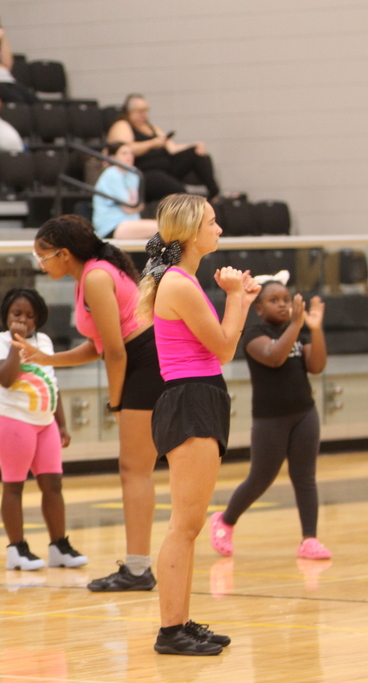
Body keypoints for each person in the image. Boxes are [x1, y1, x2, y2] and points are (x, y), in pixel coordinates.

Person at [138, 193, 259, 655]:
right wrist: (233, 298)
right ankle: (171, 630)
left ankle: (182, 622)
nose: (219, 229)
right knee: (185, 525)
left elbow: (219, 346)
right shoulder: (180, 285)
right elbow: (226, 348)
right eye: (213, 222)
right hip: (191, 399)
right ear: (190, 233)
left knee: (188, 523)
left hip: (199, 395)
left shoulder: (181, 280)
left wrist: (239, 301)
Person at [19, 214, 164, 592]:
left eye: (43, 256)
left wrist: (115, 403)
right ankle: (137, 567)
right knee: (135, 470)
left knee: (135, 470)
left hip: (144, 364)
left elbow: (115, 353)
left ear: (64, 254)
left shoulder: (97, 277)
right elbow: (98, 345)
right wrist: (46, 358)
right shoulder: (92, 275)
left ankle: (137, 570)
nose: (41, 263)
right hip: (141, 361)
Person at [210, 275, 331, 560]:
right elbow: (274, 356)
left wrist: (314, 330)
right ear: (260, 308)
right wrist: (297, 325)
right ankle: (226, 520)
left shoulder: (297, 331)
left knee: (305, 478)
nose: (282, 305)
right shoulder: (253, 334)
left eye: (287, 300)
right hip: (270, 420)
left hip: (304, 414)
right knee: (260, 478)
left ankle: (309, 539)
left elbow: (316, 366)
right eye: (274, 300)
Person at [0, 287, 88, 571]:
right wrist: (17, 344)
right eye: (16, 314)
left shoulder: (43, 340)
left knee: (53, 485)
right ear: (6, 314)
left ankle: (59, 546)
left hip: (45, 424)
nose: (23, 320)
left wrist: (62, 423)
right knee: (14, 485)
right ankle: (16, 549)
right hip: (12, 420)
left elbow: (50, 381)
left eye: (30, 316)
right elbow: (6, 379)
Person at [107, 94, 220, 203]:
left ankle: (214, 193)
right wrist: (151, 143)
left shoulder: (150, 127)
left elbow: (173, 148)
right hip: (146, 173)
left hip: (166, 168)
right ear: (128, 111)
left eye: (146, 111)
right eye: (139, 111)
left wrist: (195, 145)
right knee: (176, 189)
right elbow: (126, 150)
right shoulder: (122, 125)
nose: (144, 115)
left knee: (198, 153)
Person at [92, 142, 159, 240]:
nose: (129, 156)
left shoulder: (133, 173)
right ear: (113, 157)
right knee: (163, 227)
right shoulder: (111, 174)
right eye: (124, 153)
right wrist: (136, 205)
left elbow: (136, 205)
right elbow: (130, 208)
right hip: (112, 226)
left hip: (131, 222)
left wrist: (135, 205)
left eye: (131, 153)